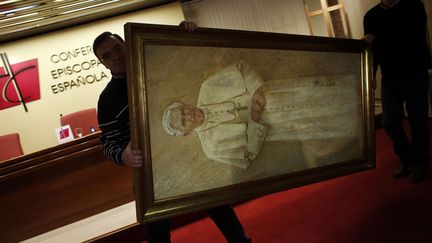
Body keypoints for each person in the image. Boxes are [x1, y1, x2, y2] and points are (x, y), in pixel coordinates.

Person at [93, 23, 251, 243]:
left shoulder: (157, 67)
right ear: (103, 63)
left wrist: (182, 32)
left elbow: (184, 58)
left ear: (125, 44)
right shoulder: (107, 100)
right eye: (107, 56)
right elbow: (108, 143)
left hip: (188, 155)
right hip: (151, 173)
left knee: (218, 206)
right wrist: (123, 155)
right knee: (156, 231)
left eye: (117, 48)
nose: (115, 57)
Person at [162, 62, 359, 169]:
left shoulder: (208, 88)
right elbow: (246, 158)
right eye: (183, 121)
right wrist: (255, 120)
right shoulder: (211, 148)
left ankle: (362, 88)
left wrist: (256, 90)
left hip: (277, 94)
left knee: (327, 92)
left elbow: (242, 68)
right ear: (186, 133)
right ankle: (361, 121)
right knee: (323, 119)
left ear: (185, 104)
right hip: (279, 125)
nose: (188, 115)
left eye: (183, 111)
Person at [363, 0, 431, 183]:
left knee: (419, 123)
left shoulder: (414, 5)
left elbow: (411, 38)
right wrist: (370, 74)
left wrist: (376, 39)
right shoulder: (370, 16)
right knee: (389, 121)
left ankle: (421, 164)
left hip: (415, 74)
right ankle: (406, 157)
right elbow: (373, 51)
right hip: (390, 78)